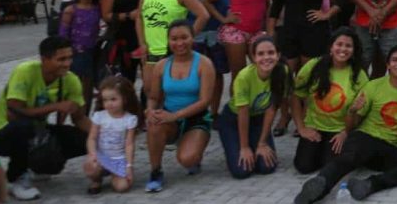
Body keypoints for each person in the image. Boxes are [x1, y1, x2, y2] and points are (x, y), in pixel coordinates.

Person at [294, 46, 397, 204]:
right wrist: (352, 111)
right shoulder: (373, 86)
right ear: (388, 65)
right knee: (347, 159)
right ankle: (319, 185)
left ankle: (370, 185)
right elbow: (353, 124)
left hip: (388, 148)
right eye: (395, 60)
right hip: (365, 137)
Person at [0, 36, 91, 200]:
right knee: (24, 126)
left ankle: (39, 167)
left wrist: (103, 138)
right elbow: (14, 108)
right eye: (61, 59)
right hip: (3, 135)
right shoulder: (25, 71)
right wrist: (55, 106)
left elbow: (80, 118)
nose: (67, 63)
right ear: (44, 60)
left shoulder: (71, 80)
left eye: (70, 58)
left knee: (85, 139)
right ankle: (15, 178)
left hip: (37, 135)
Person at [143, 21, 215, 192]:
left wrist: (176, 116)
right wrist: (150, 110)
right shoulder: (161, 66)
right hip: (170, 117)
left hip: (196, 118)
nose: (180, 43)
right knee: (153, 124)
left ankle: (193, 149)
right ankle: (155, 171)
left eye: (184, 37)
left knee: (187, 159)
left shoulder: (204, 64)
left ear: (193, 38)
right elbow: (154, 97)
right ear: (168, 41)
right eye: (174, 39)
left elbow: (205, 101)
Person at [136, 0, 209, 108]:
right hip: (150, 50)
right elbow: (139, 17)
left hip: (170, 51)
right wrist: (142, 43)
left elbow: (203, 15)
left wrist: (185, 41)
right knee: (150, 91)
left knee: (167, 95)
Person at [292, 28, 369, 174]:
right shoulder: (313, 66)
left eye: (348, 46)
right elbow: (296, 96)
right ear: (331, 47)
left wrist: (346, 132)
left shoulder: (359, 75)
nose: (343, 49)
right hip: (314, 126)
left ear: (354, 50)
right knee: (303, 167)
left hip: (340, 130)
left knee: (329, 167)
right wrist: (302, 128)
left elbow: (360, 114)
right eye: (339, 44)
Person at [217, 36, 287, 179]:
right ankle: (236, 146)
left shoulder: (282, 72)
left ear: (278, 55)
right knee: (241, 170)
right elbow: (243, 113)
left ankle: (255, 142)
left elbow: (272, 109)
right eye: (260, 54)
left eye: (271, 53)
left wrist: (262, 143)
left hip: (258, 119)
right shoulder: (244, 77)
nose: (266, 58)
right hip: (234, 120)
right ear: (253, 57)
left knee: (267, 167)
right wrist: (244, 147)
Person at [202, 0, 270, 88]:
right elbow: (206, 0)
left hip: (256, 32)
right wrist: (223, 19)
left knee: (263, 71)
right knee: (239, 75)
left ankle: (258, 105)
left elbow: (267, 5)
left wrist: (269, 29)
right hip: (236, 32)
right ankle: (237, 108)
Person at [83, 75, 140, 194]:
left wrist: (129, 165)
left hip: (118, 159)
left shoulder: (130, 119)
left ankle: (116, 175)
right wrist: (92, 154)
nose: (109, 104)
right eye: (105, 100)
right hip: (101, 157)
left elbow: (129, 144)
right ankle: (96, 180)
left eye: (113, 99)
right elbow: (92, 138)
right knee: (91, 167)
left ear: (124, 99)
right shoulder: (100, 116)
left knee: (122, 187)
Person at [58, 0, 103, 113]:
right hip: (74, 54)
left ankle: (84, 119)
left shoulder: (99, 9)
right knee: (69, 89)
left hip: (91, 54)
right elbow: (63, 35)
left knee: (87, 88)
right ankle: (61, 123)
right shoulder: (70, 10)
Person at [100, 0, 143, 82]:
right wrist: (129, 15)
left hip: (146, 38)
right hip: (122, 41)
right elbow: (106, 15)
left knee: (151, 82)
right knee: (126, 81)